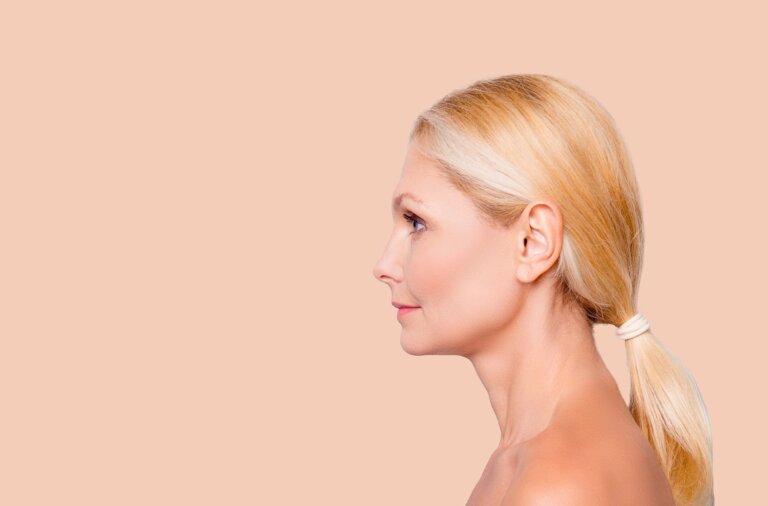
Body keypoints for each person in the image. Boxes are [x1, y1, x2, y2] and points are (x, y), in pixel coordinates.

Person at [372, 74, 713, 506]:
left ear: (533, 242)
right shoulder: (535, 459)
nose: (384, 266)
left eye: (416, 223)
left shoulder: (557, 484)